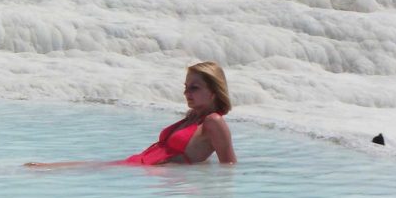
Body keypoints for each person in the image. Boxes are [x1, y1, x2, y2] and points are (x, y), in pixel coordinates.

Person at [25, 61, 237, 167]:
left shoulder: (213, 122)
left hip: (147, 171)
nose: (186, 92)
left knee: (74, 168)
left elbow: (229, 169)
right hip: (141, 166)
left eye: (194, 88)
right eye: (186, 86)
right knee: (78, 166)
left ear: (213, 91)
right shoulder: (194, 117)